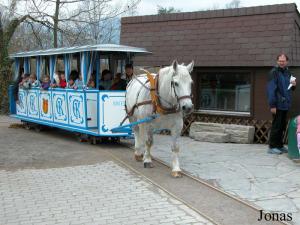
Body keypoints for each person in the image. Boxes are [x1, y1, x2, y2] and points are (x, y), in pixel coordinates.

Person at [267, 53, 296, 154]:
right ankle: (272, 147)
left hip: (285, 104)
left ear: (286, 62)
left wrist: (293, 85)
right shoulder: (273, 72)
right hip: (277, 104)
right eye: (280, 61)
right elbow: (271, 90)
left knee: (282, 126)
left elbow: (290, 88)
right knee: (276, 126)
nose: (281, 62)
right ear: (277, 61)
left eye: (283, 61)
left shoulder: (287, 72)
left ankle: (279, 145)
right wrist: (272, 105)